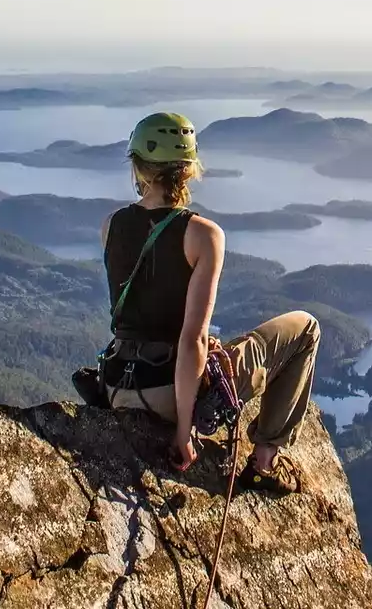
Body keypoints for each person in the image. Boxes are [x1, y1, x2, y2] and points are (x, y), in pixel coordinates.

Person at [99, 111, 319, 493]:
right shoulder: (202, 235)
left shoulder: (111, 225)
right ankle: (266, 459)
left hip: (117, 386)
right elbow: (192, 340)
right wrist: (184, 431)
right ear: (188, 169)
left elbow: (140, 311)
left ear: (137, 166)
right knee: (306, 327)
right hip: (166, 394)